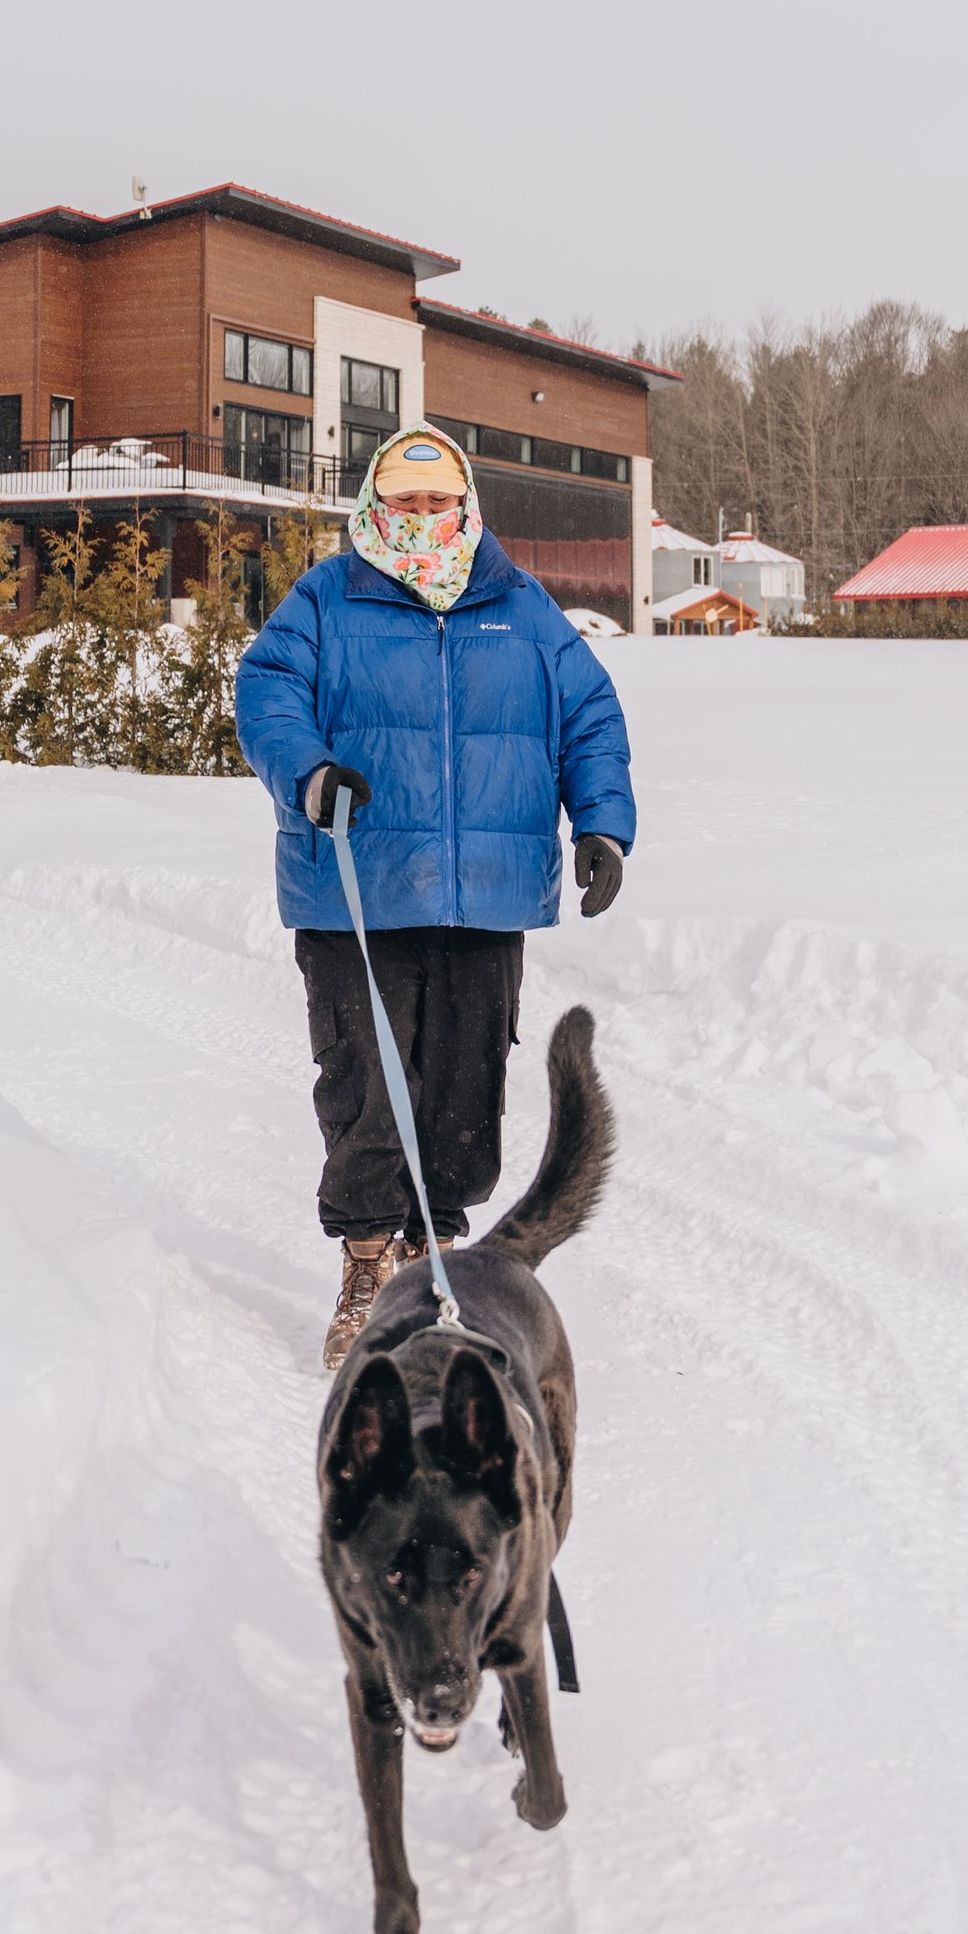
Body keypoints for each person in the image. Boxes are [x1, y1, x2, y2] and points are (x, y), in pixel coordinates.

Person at [234, 423, 635, 1367]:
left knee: (464, 1088)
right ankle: (370, 1265)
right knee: (367, 1082)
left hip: (486, 895)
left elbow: (590, 714)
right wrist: (309, 773)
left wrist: (604, 824)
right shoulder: (328, 597)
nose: (423, 518)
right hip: (356, 888)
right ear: (376, 503)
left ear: (466, 505)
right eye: (406, 502)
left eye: (437, 502)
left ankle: (438, 1265)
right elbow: (268, 692)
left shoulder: (519, 605)